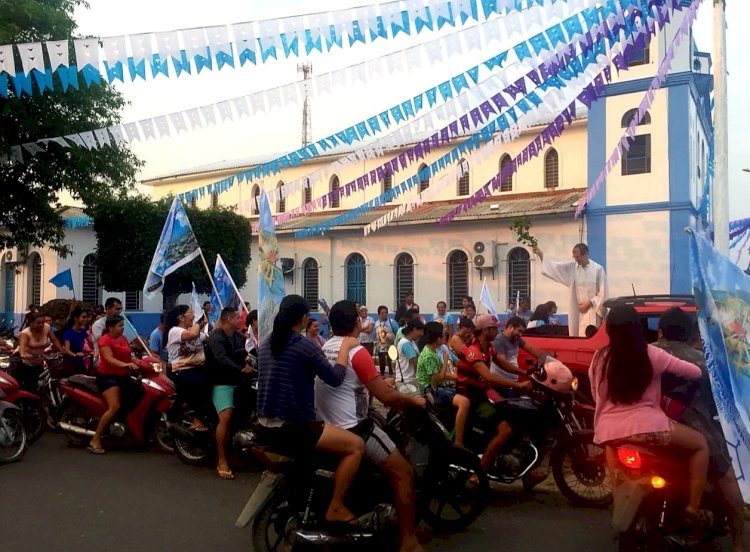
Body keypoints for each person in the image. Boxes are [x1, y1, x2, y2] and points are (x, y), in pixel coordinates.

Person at [315, 300, 426, 552]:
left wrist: (379, 381)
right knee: (404, 472)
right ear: (357, 322)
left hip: (326, 425)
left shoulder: (325, 348)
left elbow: (355, 381)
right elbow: (387, 399)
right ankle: (408, 541)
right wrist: (413, 400)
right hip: (354, 429)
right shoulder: (357, 351)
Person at [589, 305, 707, 524]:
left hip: (610, 433)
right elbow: (695, 372)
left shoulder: (599, 358)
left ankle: (620, 500)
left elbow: (595, 394)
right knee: (700, 445)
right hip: (651, 429)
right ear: (638, 328)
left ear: (609, 331)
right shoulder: (653, 354)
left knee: (611, 452)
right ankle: (692, 507)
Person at [256, 294, 365, 526]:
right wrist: (345, 347)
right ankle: (335, 506)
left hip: (264, 427)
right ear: (304, 319)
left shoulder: (265, 344)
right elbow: (335, 378)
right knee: (356, 446)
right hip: (294, 428)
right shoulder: (304, 345)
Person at [653, 308, 746, 551]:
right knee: (727, 477)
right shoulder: (703, 361)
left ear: (660, 331)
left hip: (647, 429)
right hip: (698, 432)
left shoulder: (643, 354)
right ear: (691, 335)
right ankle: (740, 543)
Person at [455, 314, 534, 476]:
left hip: (484, 392)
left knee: (514, 414)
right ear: (485, 331)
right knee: (506, 430)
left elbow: (502, 363)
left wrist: (525, 373)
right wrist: (518, 384)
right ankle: (480, 473)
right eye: (494, 328)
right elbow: (489, 376)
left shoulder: (488, 347)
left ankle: (523, 471)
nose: (498, 330)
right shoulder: (473, 350)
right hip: (472, 396)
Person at [206, 307, 252, 480]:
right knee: (226, 416)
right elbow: (221, 358)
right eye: (236, 318)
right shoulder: (215, 338)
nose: (240, 320)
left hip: (238, 381)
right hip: (221, 382)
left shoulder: (239, 337)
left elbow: (245, 354)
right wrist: (240, 368)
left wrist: (250, 360)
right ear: (227, 319)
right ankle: (222, 460)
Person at [533, 243, 608, 337]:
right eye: (574, 257)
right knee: (578, 336)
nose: (576, 260)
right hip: (577, 312)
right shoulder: (572, 268)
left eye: (578, 257)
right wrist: (541, 254)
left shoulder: (598, 269)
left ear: (586, 254)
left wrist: (590, 303)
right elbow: (555, 267)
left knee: (592, 336)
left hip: (593, 310)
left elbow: (603, 292)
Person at [89, 315, 140, 454]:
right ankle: (95, 439)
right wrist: (126, 364)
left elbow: (129, 357)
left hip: (123, 375)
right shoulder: (105, 340)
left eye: (123, 325)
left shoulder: (123, 339)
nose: (123, 328)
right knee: (115, 406)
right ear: (110, 327)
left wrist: (142, 363)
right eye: (120, 326)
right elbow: (109, 359)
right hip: (107, 377)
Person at [417, 322, 469, 448]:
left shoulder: (434, 351)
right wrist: (445, 361)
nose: (445, 337)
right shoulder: (429, 355)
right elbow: (438, 380)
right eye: (443, 335)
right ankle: (459, 443)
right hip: (433, 391)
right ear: (438, 338)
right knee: (464, 402)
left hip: (438, 387)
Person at [165, 305, 210, 430]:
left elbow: (208, 336)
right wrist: (198, 322)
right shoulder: (175, 331)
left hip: (197, 370)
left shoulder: (195, 333)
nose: (194, 316)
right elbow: (192, 334)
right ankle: (181, 419)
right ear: (181, 317)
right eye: (191, 313)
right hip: (182, 371)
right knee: (198, 392)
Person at [17, 312, 65, 391]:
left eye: (42, 322)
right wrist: (23, 354)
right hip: (26, 361)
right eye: (38, 323)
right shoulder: (25, 333)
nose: (41, 325)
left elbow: (54, 339)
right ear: (31, 323)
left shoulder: (47, 327)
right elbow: (22, 346)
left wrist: (62, 350)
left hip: (39, 359)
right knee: (30, 385)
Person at [491, 316, 543, 383]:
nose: (520, 335)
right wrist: (524, 372)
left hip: (512, 381)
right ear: (511, 327)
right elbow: (503, 364)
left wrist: (547, 359)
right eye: (519, 331)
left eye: (522, 332)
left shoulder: (516, 339)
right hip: (501, 383)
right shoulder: (499, 341)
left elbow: (531, 349)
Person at [92, 297, 123, 366]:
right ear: (107, 309)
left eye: (121, 309)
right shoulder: (98, 325)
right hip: (102, 359)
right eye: (117, 309)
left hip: (119, 356)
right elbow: (102, 344)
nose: (120, 311)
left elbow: (133, 339)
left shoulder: (121, 323)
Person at [62, 307, 93, 375]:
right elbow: (67, 350)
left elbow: (93, 342)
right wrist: (75, 355)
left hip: (80, 361)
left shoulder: (83, 331)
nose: (85, 319)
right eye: (83, 317)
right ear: (76, 318)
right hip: (71, 364)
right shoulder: (68, 333)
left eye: (86, 317)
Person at [396, 319, 424, 386]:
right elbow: (415, 362)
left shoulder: (411, 342)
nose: (421, 334)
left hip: (409, 379)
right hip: (406, 380)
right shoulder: (406, 344)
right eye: (420, 331)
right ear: (414, 329)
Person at [373, 306, 398, 376]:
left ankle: (391, 373)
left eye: (385, 313)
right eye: (382, 313)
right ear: (379, 314)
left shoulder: (392, 322)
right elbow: (375, 333)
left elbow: (397, 332)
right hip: (380, 345)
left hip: (389, 344)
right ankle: (382, 374)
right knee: (381, 360)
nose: (384, 314)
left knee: (390, 360)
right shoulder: (377, 323)